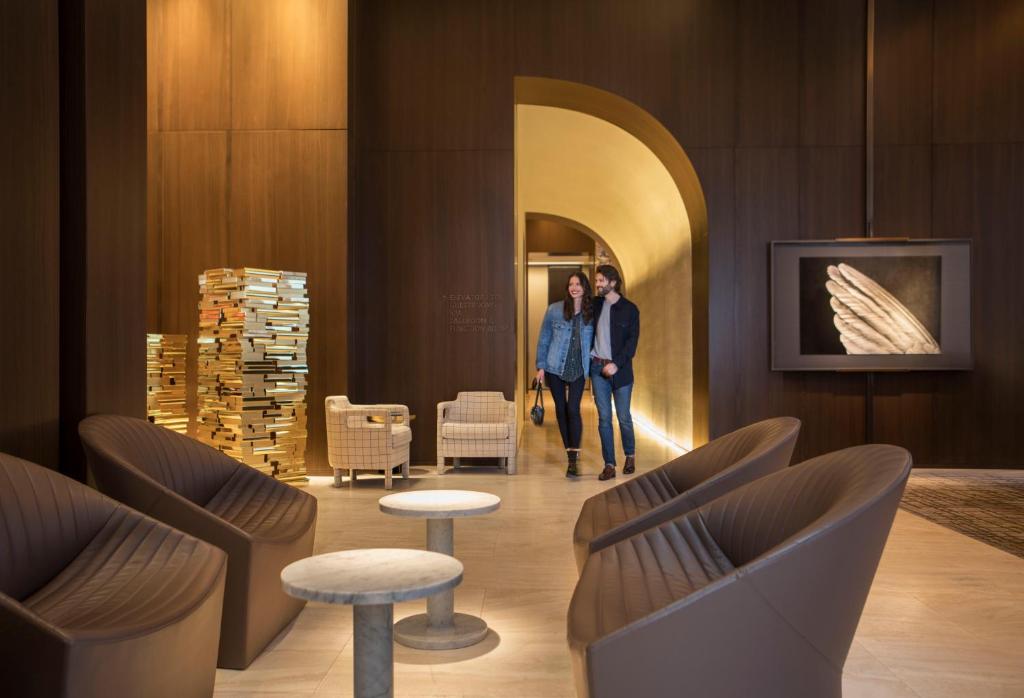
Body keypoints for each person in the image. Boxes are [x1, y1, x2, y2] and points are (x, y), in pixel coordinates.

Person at [535, 272, 595, 478]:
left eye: (578, 284)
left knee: (573, 409)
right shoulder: (554, 310)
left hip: (578, 368)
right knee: (560, 410)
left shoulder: (591, 312)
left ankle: (575, 452)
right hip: (554, 367)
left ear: (585, 287)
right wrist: (540, 366)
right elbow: (544, 338)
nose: (574, 287)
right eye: (571, 284)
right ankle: (570, 458)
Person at [589, 264, 639, 481]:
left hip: (621, 372)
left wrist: (617, 364)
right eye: (596, 280)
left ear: (612, 282)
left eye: (601, 280)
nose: (597, 284)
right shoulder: (596, 304)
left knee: (624, 417)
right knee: (604, 419)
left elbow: (631, 343)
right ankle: (609, 464)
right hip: (597, 368)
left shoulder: (630, 309)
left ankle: (630, 455)